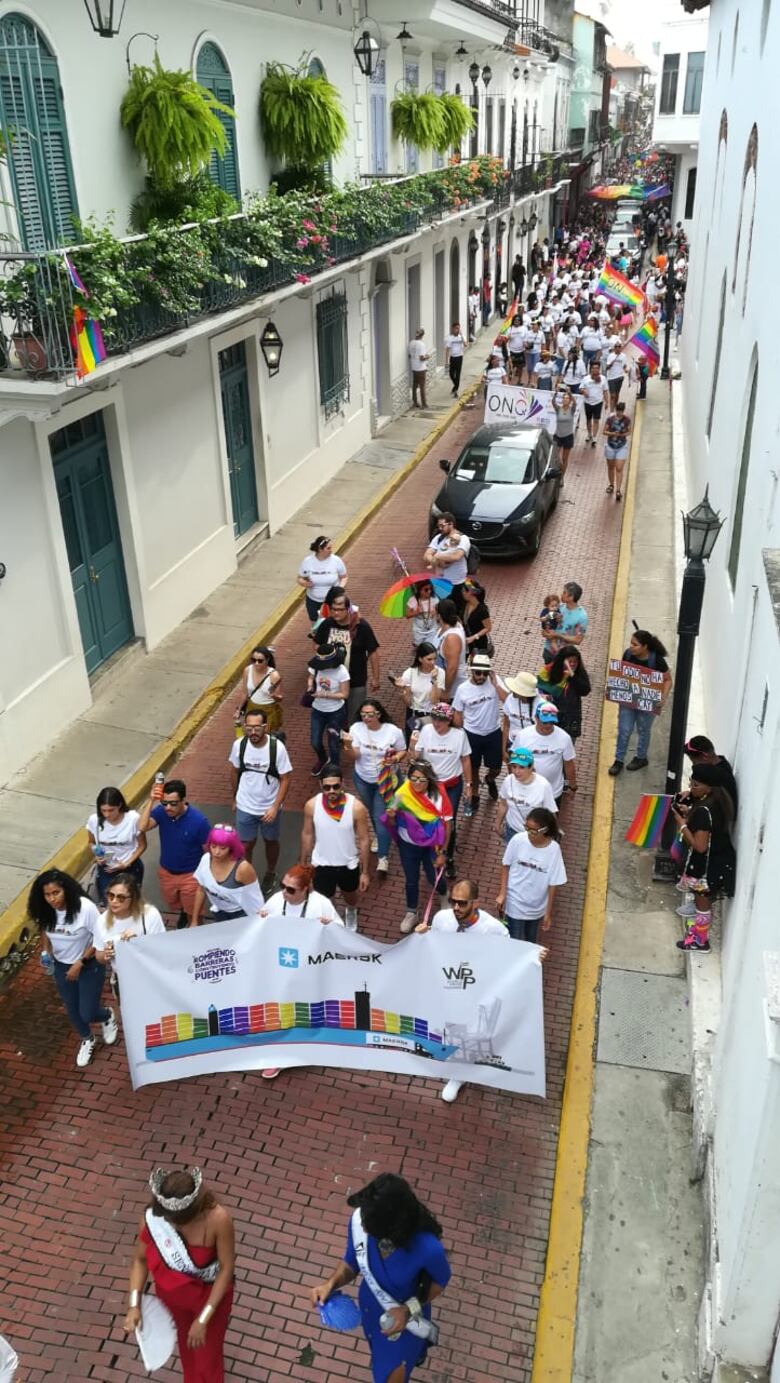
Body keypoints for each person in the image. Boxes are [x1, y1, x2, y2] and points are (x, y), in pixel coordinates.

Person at [311, 1173, 451, 1383]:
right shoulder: (363, 1217)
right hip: (371, 1309)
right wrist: (330, 1284)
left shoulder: (428, 1248)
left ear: (392, 1226)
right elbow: (352, 1262)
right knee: (378, 1353)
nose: (363, 1227)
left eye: (370, 1225)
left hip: (404, 1323)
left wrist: (407, 1310)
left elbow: (440, 1283)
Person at [124, 1167, 235, 1383]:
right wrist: (134, 1305)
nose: (172, 1224)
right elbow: (140, 1260)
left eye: (178, 1220)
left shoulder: (219, 1219)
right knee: (187, 1350)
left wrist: (203, 1319)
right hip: (173, 1298)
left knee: (207, 1359)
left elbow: (226, 1268)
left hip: (209, 1298)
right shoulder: (153, 1219)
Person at [418, 878, 509, 1103]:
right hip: (448, 986)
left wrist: (532, 957)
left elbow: (510, 955)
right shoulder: (442, 919)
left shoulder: (493, 929)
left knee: (470, 1032)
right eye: (453, 901)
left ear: (475, 903)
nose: (456, 908)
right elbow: (433, 946)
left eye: (462, 903)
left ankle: (459, 1076)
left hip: (475, 990)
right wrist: (422, 937)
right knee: (450, 1027)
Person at [28, 869, 117, 1069]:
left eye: (56, 893)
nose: (52, 899)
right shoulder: (45, 909)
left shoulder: (85, 908)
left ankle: (107, 1015)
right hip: (61, 965)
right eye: (47, 895)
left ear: (66, 890)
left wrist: (80, 963)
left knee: (87, 1012)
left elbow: (99, 938)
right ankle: (87, 1039)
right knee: (72, 1009)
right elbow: (45, 930)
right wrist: (45, 952)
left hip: (89, 964)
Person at [671, 764, 736, 952]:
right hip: (719, 860)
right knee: (703, 903)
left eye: (696, 785)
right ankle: (698, 935)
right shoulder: (718, 803)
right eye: (691, 783)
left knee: (702, 905)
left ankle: (700, 941)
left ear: (709, 787)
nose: (691, 788)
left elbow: (700, 846)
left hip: (707, 869)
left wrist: (682, 824)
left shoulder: (703, 811)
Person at [384, 758, 451, 933]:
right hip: (408, 846)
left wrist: (443, 852)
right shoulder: (401, 793)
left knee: (433, 877)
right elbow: (392, 821)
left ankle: (444, 895)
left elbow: (447, 825)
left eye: (422, 779)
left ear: (429, 779)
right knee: (411, 880)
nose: (417, 783)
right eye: (413, 779)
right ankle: (411, 912)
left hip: (431, 847)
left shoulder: (439, 795)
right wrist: (391, 816)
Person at [300, 765, 371, 932]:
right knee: (325, 898)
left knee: (350, 895)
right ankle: (332, 916)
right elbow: (307, 834)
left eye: (335, 786)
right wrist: (302, 863)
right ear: (320, 785)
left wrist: (365, 872)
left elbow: (364, 840)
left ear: (342, 783)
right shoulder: (311, 806)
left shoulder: (356, 808)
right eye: (327, 787)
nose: (331, 791)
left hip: (348, 864)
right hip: (321, 864)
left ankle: (351, 911)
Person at [228, 710, 292, 890]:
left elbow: (285, 779)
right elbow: (234, 771)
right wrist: (235, 798)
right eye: (249, 728)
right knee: (245, 844)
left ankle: (271, 872)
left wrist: (275, 807)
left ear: (266, 727)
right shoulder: (239, 745)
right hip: (245, 805)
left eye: (257, 728)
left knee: (270, 840)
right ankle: (248, 874)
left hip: (268, 807)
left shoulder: (277, 748)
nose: (253, 732)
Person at [342, 699, 406, 877]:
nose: (366, 718)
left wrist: (395, 759)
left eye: (370, 714)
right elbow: (354, 756)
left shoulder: (392, 731)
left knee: (380, 817)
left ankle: (383, 858)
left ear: (379, 714)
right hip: (362, 778)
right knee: (372, 810)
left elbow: (403, 750)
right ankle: (380, 836)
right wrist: (347, 745)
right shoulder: (356, 728)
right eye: (363, 714)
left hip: (384, 781)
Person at [138, 781, 211, 927]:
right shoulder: (161, 812)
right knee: (174, 903)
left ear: (183, 800)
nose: (168, 808)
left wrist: (205, 877)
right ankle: (184, 912)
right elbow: (142, 826)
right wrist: (151, 800)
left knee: (194, 916)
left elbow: (208, 852)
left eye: (173, 804)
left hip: (191, 876)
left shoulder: (199, 822)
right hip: (166, 873)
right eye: (164, 803)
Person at [412, 703, 472, 877]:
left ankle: (448, 857)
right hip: (430, 786)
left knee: (448, 823)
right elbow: (415, 758)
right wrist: (413, 746)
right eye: (434, 719)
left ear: (449, 720)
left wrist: (469, 785)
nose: (436, 723)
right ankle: (429, 853)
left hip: (451, 786)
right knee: (429, 820)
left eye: (441, 720)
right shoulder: (426, 731)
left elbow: (465, 760)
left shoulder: (459, 735)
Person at [497, 808, 567, 942]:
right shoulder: (518, 840)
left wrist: (548, 913)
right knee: (515, 941)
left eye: (533, 831)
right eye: (526, 828)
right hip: (515, 902)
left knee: (531, 941)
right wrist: (502, 893)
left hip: (536, 907)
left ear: (545, 830)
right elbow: (506, 865)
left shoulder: (554, 850)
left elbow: (553, 883)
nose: (528, 833)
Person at [608, 629, 672, 775]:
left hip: (648, 703)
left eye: (635, 644)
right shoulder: (627, 654)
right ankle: (619, 760)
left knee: (643, 730)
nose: (631, 646)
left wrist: (663, 697)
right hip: (628, 701)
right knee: (624, 730)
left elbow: (668, 680)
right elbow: (621, 673)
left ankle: (641, 757)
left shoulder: (657, 660)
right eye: (631, 643)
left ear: (645, 647)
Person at [313, 588, 381, 722]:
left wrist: (376, 678)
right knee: (333, 719)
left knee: (354, 718)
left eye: (340, 610)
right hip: (331, 681)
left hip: (356, 681)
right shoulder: (327, 624)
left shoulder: (361, 626)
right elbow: (316, 643)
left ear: (348, 609)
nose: (336, 613)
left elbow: (373, 652)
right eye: (333, 609)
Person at [452, 653, 503, 812]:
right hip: (472, 734)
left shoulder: (494, 681)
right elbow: (457, 712)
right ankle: (475, 795)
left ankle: (490, 779)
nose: (482, 677)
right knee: (473, 767)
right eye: (478, 673)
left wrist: (496, 685)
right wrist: (459, 733)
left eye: (485, 673)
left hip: (493, 732)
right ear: (472, 671)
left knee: (496, 767)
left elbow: (508, 699)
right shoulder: (462, 689)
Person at [191, 825, 264, 925]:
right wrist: (194, 920)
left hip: (241, 914)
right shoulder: (205, 859)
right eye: (213, 846)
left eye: (223, 848)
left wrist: (258, 922)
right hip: (219, 912)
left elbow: (255, 899)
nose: (217, 852)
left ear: (231, 848)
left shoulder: (243, 869)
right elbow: (201, 889)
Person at [86, 787, 146, 906]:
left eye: (111, 810)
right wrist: (96, 854)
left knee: (129, 903)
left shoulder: (133, 819)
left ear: (119, 805)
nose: (107, 814)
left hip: (130, 868)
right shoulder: (94, 820)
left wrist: (126, 863)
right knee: (110, 904)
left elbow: (142, 845)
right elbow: (91, 842)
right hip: (106, 869)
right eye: (103, 810)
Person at [513, 702, 577, 806]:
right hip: (528, 791)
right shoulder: (523, 736)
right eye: (545, 722)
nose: (548, 726)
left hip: (553, 792)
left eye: (551, 722)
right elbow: (515, 762)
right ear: (536, 718)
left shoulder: (564, 738)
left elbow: (569, 764)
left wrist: (572, 786)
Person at [496, 747, 558, 843]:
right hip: (512, 831)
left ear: (531, 767)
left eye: (521, 767)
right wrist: (497, 824)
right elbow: (503, 804)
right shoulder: (508, 781)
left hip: (535, 835)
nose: (516, 771)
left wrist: (551, 834)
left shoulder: (543, 785)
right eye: (514, 767)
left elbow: (551, 813)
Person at [306, 642, 350, 773]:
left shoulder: (341, 671)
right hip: (318, 710)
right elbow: (310, 677)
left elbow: (344, 694)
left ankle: (334, 769)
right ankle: (323, 759)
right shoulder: (316, 667)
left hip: (335, 712)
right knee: (315, 741)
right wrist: (310, 686)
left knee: (333, 743)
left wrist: (325, 694)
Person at [537, 644, 591, 742]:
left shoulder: (578, 674)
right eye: (570, 661)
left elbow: (585, 690)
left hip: (571, 717)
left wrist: (572, 675)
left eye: (575, 661)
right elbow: (540, 689)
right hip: (552, 716)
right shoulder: (548, 671)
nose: (573, 664)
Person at [392, 642, 445, 742]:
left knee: (431, 744)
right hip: (414, 714)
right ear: (420, 659)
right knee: (413, 744)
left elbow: (434, 700)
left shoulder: (440, 673)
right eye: (429, 659)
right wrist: (402, 690)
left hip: (432, 715)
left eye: (435, 659)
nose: (433, 662)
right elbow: (408, 702)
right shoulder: (409, 673)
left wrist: (434, 680)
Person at [424, 515, 471, 612]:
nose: (440, 528)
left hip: (457, 583)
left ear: (451, 524)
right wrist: (436, 561)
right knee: (443, 611)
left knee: (459, 611)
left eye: (442, 525)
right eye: (438, 526)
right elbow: (426, 555)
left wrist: (438, 556)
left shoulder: (463, 539)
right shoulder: (438, 538)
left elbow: (456, 556)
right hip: (441, 583)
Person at [234, 645, 283, 736]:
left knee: (265, 737)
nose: (256, 663)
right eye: (253, 660)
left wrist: (274, 695)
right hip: (252, 708)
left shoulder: (274, 675)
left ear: (267, 660)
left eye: (260, 661)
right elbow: (244, 693)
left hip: (268, 711)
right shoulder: (247, 670)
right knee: (252, 735)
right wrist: (238, 709)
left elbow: (280, 698)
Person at [297, 536, 348, 624]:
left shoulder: (336, 560)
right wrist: (305, 583)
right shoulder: (308, 561)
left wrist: (340, 588)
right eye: (328, 548)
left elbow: (344, 577)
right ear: (320, 549)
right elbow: (300, 578)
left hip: (333, 601)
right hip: (313, 601)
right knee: (316, 626)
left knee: (333, 624)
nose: (331, 550)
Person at [684, 735, 738, 816]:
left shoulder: (709, 772)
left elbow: (696, 771)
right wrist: (691, 794)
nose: (694, 765)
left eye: (694, 762)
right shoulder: (722, 763)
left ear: (705, 756)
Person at [501, 670, 543, 758]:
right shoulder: (510, 699)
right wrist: (503, 749)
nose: (512, 690)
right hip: (512, 744)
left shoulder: (541, 705)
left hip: (532, 748)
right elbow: (506, 725)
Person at [544, 581, 588, 656]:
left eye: (564, 592)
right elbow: (545, 627)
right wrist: (546, 632)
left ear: (571, 597)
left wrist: (557, 635)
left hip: (563, 656)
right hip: (548, 651)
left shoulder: (582, 616)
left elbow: (578, 640)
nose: (561, 594)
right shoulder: (558, 607)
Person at [604, 400, 631, 501]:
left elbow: (629, 431)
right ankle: (611, 484)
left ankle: (618, 490)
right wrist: (612, 434)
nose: (619, 413)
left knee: (619, 468)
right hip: (610, 446)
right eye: (618, 411)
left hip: (621, 446)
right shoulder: (610, 419)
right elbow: (604, 431)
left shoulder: (627, 420)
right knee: (611, 467)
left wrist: (622, 434)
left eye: (621, 411)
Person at [404, 579, 439, 649]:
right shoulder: (413, 600)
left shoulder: (434, 599)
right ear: (420, 590)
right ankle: (416, 644)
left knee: (429, 648)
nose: (429, 591)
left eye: (430, 589)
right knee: (419, 647)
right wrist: (416, 612)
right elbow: (407, 615)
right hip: (418, 631)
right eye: (426, 589)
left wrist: (436, 612)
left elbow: (439, 613)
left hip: (432, 630)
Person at [580, 362, 609, 447]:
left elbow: (605, 391)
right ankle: (589, 434)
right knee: (588, 419)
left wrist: (607, 402)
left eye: (597, 368)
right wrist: (584, 391)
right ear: (590, 369)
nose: (595, 370)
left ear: (599, 369)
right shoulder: (586, 378)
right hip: (588, 402)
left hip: (598, 402)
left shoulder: (603, 378)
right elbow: (581, 388)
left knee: (596, 420)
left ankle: (594, 437)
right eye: (593, 368)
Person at [461, 578, 492, 655]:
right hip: (467, 643)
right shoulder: (465, 604)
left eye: (464, 591)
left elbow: (488, 628)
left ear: (470, 593)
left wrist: (474, 637)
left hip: (479, 645)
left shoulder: (482, 610)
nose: (462, 593)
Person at [551, 389, 577, 480]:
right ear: (562, 400)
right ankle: (560, 469)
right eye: (564, 398)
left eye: (567, 398)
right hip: (558, 435)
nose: (565, 400)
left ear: (569, 401)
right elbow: (553, 402)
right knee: (555, 455)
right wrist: (555, 393)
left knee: (565, 458)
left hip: (568, 437)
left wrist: (570, 393)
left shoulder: (571, 410)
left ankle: (562, 477)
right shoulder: (558, 409)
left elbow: (575, 403)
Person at [443, 321, 466, 397]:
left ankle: (455, 390)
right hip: (452, 357)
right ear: (453, 329)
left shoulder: (461, 337)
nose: (457, 330)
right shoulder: (450, 338)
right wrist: (446, 361)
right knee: (451, 374)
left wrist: (462, 336)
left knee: (458, 374)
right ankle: (455, 386)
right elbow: (447, 349)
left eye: (458, 328)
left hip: (459, 357)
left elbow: (466, 345)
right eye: (456, 328)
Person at [409, 328, 429, 408]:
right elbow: (421, 358)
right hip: (421, 368)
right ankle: (424, 404)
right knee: (422, 386)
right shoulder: (421, 344)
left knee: (414, 385)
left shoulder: (411, 342)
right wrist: (427, 356)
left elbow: (409, 355)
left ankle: (415, 402)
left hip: (414, 367)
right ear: (422, 335)